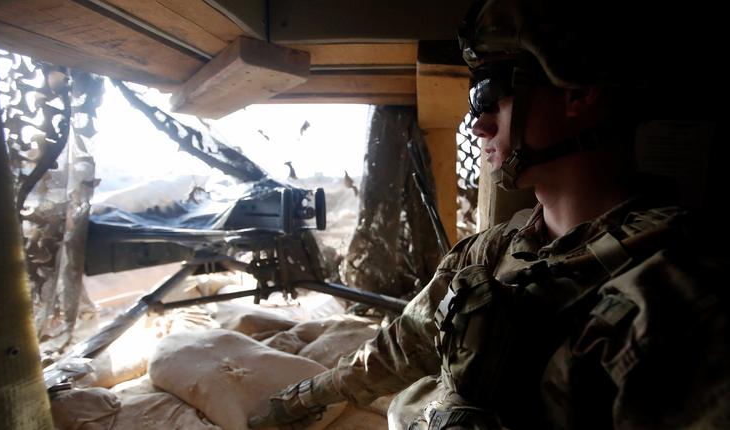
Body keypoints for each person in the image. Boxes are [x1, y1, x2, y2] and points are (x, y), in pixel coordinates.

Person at [248, 0, 728, 428]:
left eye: (490, 93)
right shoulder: (493, 249)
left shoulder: (677, 296)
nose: (477, 122)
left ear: (578, 94)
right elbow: (403, 346)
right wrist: (298, 401)